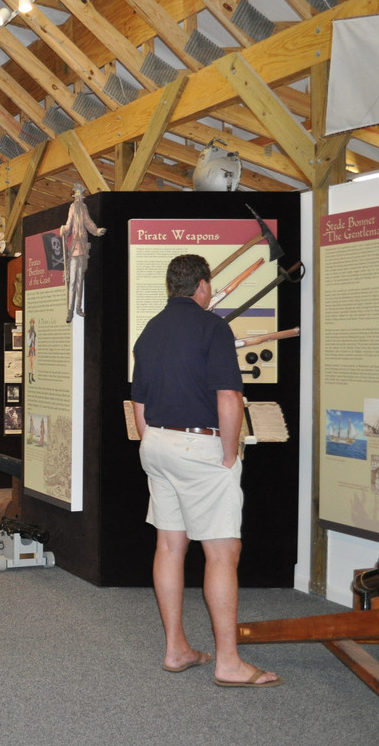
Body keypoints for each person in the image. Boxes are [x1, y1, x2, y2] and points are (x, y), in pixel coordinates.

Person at [131, 254, 281, 688]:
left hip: (156, 443)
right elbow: (230, 399)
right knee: (221, 552)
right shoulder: (213, 327)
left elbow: (139, 404)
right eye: (209, 285)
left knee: (170, 545)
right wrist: (229, 455)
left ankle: (176, 648)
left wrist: (153, 445)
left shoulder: (150, 331)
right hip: (200, 446)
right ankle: (228, 661)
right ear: (201, 285)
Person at [59, 184, 106, 322]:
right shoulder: (72, 208)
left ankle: (78, 307)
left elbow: (88, 222)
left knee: (80, 280)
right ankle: (70, 310)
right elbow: (68, 225)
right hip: (74, 248)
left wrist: (96, 231)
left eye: (81, 193)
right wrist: (64, 230)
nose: (79, 196)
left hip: (83, 248)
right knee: (72, 280)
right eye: (77, 193)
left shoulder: (83, 208)